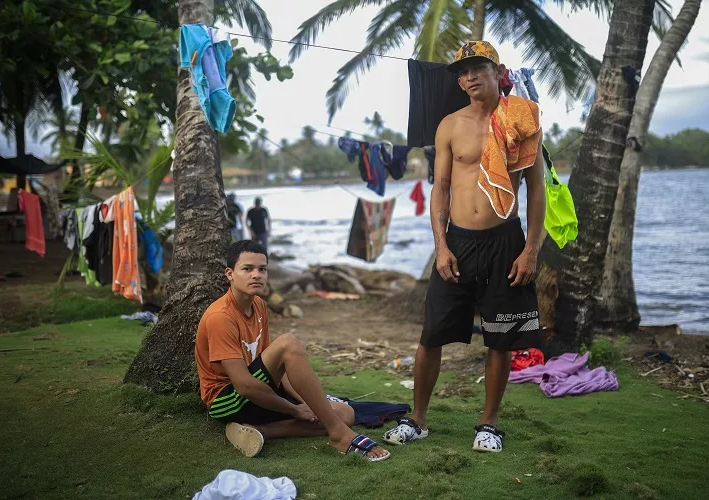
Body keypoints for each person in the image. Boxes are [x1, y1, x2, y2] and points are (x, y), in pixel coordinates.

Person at [383, 41, 545, 453]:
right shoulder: (450, 125)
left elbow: (537, 190)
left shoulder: (521, 119)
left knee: (501, 339)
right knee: (431, 335)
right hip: (458, 241)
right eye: (463, 71)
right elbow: (440, 188)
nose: (470, 76)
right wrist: (440, 246)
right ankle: (418, 419)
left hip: (506, 241)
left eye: (478, 68)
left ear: (497, 71)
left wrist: (531, 250)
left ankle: (488, 425)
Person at [194, 240, 390, 461]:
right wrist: (293, 409)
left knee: (345, 413)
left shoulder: (259, 305)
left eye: (262, 269)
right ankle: (338, 435)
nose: (256, 275)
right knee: (288, 343)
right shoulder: (221, 317)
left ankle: (259, 431)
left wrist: (307, 402)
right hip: (227, 400)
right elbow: (244, 385)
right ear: (230, 274)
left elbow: (275, 367)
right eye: (247, 269)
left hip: (256, 391)